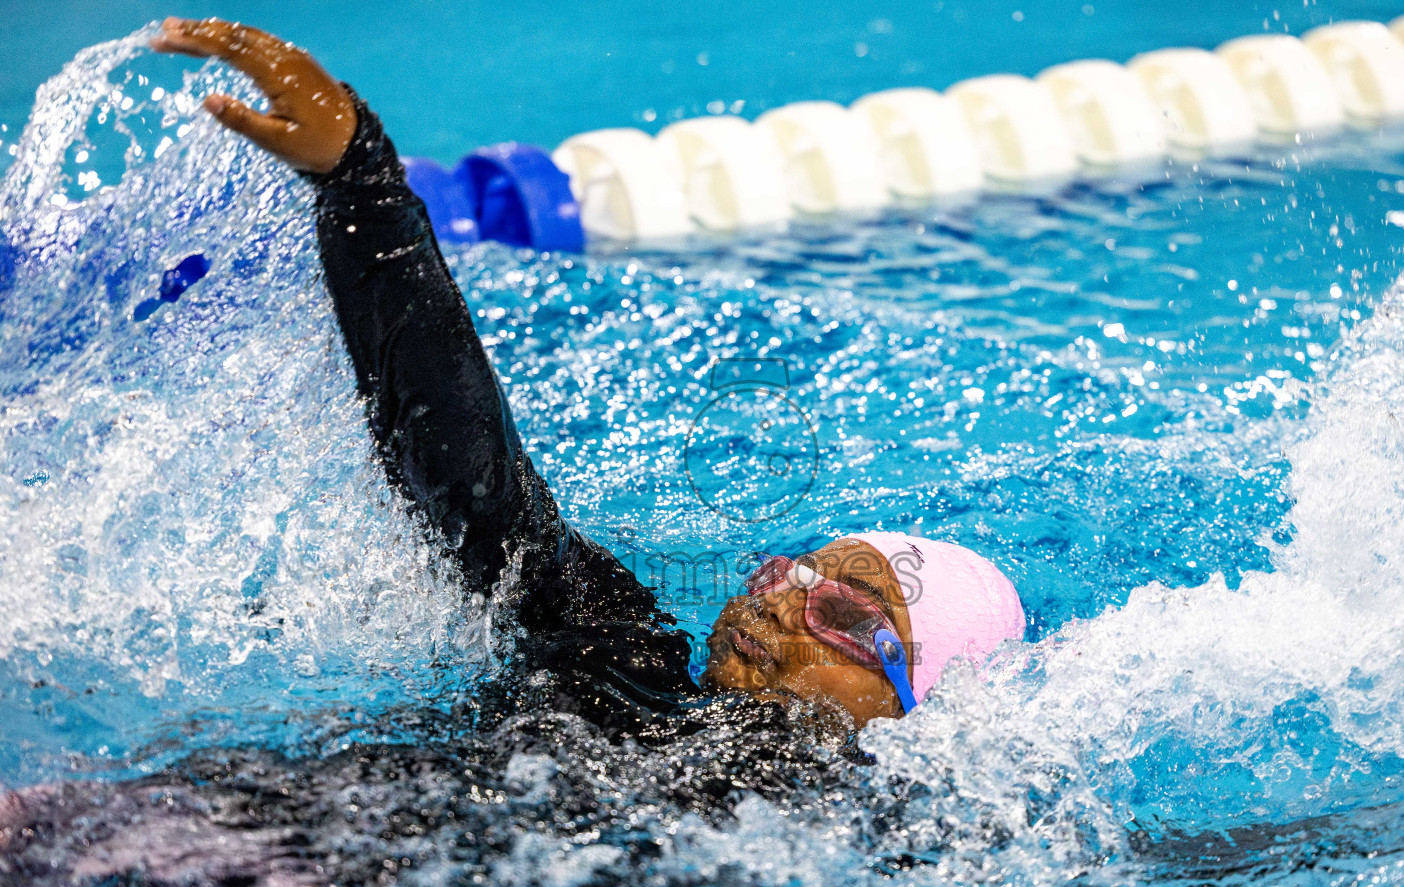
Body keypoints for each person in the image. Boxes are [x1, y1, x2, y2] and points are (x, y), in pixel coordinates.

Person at [148, 16, 1027, 733]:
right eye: (789, 574)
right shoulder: (620, 655)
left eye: (847, 615)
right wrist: (361, 178)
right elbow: (478, 487)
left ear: (923, 710)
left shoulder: (901, 840)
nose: (783, 607)